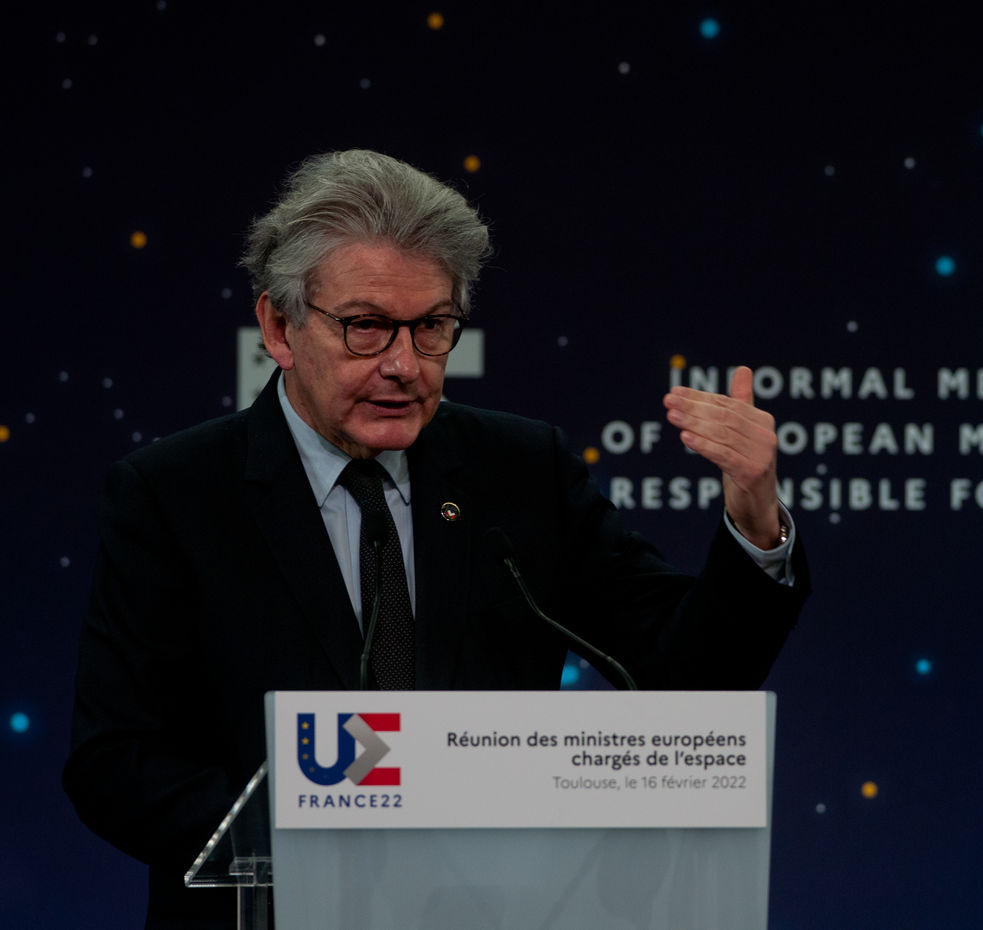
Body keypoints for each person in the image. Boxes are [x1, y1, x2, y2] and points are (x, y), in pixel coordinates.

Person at [62, 149, 809, 928]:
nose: (404, 365)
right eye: (366, 327)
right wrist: (312, 844)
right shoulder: (174, 494)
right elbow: (115, 761)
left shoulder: (522, 472)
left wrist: (755, 520)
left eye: (431, 328)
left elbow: (687, 680)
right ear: (280, 328)